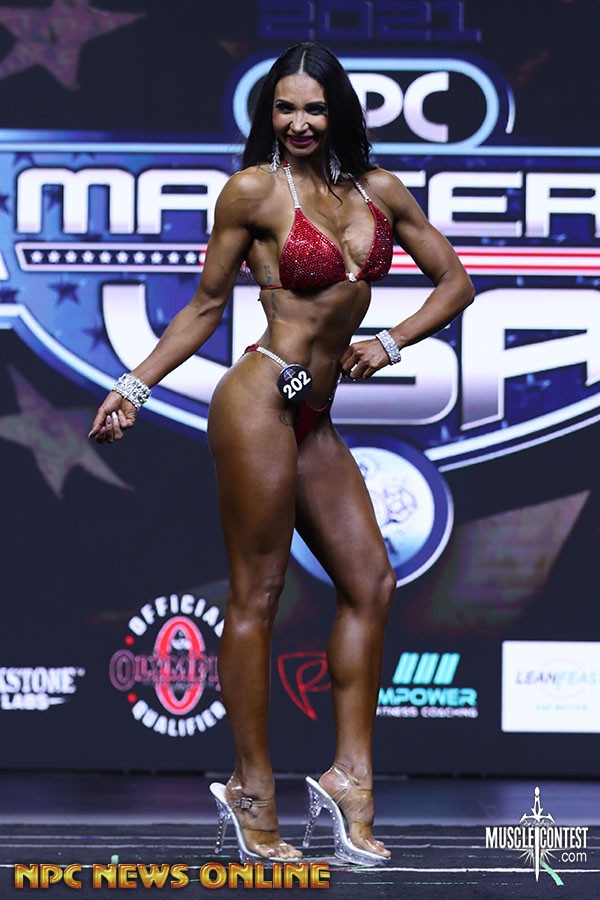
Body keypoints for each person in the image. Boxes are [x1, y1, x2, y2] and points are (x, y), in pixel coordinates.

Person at [89, 42, 474, 864]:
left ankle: (350, 779)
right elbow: (205, 307)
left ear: (339, 112)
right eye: (285, 108)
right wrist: (133, 387)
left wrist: (392, 342)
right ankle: (251, 790)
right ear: (269, 114)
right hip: (260, 399)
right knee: (257, 594)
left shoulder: (378, 191)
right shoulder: (254, 191)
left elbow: (455, 283)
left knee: (372, 581)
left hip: (315, 414)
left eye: (315, 108)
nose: (300, 123)